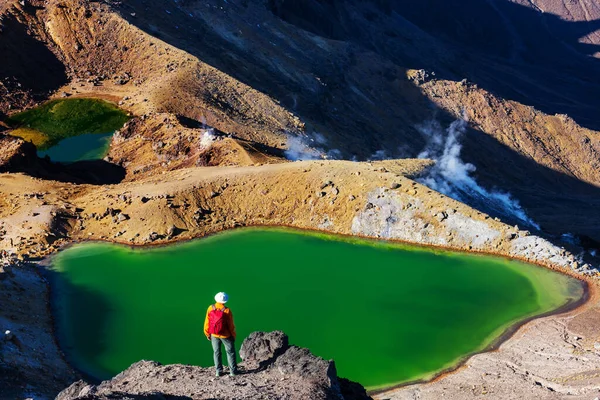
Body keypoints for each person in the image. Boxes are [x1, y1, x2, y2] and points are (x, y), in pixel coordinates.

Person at [204, 291, 238, 377]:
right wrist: (233, 335)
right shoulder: (227, 310)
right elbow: (231, 325)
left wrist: (207, 333)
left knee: (216, 352)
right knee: (230, 352)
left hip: (214, 334)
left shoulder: (210, 308)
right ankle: (232, 372)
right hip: (226, 335)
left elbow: (207, 322)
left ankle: (218, 371)